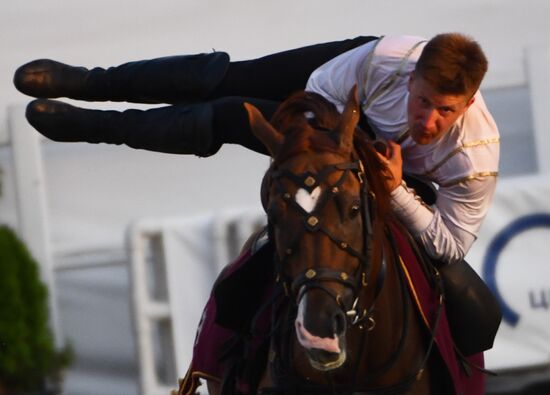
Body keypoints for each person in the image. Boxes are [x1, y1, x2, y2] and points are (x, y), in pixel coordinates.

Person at [13, 33, 499, 265]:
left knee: (229, 114)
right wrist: (335, 142)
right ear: (411, 76)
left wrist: (392, 191)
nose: (429, 121)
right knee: (231, 78)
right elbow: (317, 89)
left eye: (447, 111)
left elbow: (452, 247)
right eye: (423, 102)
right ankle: (89, 82)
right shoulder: (387, 59)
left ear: (470, 100)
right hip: (334, 105)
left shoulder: (474, 157)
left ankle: (99, 127)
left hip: (401, 186)